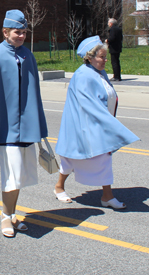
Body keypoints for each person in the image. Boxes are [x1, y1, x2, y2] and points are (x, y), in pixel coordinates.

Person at [0, 10, 48, 238]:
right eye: (17, 32)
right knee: (12, 173)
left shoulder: (28, 56)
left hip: (26, 126)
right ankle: (5, 216)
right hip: (5, 128)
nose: (22, 36)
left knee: (21, 175)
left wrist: (40, 126)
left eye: (24, 32)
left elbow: (34, 93)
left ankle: (13, 213)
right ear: (5, 32)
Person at [54, 36, 138, 209]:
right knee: (72, 159)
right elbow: (89, 105)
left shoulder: (99, 72)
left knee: (101, 158)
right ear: (89, 57)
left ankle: (106, 195)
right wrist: (111, 125)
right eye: (102, 57)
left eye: (105, 57)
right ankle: (60, 187)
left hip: (98, 122)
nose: (105, 60)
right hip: (84, 125)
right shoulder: (83, 75)